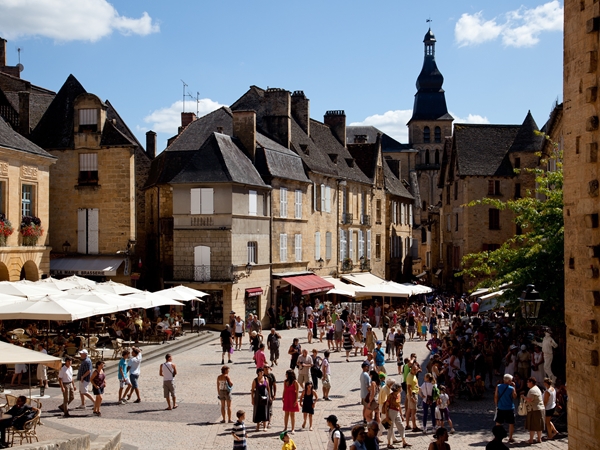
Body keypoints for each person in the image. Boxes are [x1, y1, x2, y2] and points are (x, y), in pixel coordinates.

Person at [382, 382, 410, 449]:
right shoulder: (390, 396)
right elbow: (386, 406)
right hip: (391, 412)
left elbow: (399, 405)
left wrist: (401, 414)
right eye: (400, 388)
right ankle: (389, 443)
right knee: (390, 428)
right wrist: (387, 416)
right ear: (397, 388)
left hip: (396, 412)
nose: (401, 389)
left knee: (401, 426)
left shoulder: (399, 395)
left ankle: (404, 442)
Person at [522, 377, 545, 444]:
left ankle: (531, 440)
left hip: (534, 410)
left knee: (532, 425)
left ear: (531, 382)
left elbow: (530, 399)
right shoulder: (536, 388)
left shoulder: (532, 390)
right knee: (539, 425)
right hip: (539, 409)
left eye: (528, 382)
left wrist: (523, 397)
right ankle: (539, 439)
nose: (527, 383)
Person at [251, 367, 271, 431]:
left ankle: (265, 426)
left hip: (265, 396)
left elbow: (268, 388)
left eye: (262, 371)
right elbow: (252, 390)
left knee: (265, 410)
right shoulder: (255, 380)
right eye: (260, 371)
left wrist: (270, 396)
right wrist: (252, 399)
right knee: (257, 410)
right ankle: (258, 426)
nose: (262, 372)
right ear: (258, 372)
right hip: (257, 397)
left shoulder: (266, 378)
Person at [282, 369, 300, 433]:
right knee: (286, 413)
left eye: (287, 374)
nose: (286, 375)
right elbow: (284, 390)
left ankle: (293, 428)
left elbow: (297, 392)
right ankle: (285, 427)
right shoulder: (285, 381)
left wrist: (296, 400)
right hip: (287, 398)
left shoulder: (295, 382)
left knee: (292, 414)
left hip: (292, 398)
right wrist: (283, 397)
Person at [405, 364, 421, 432]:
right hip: (412, 395)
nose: (415, 371)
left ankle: (408, 425)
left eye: (416, 369)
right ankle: (414, 427)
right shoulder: (410, 376)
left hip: (412, 394)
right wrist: (412, 397)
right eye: (414, 369)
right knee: (413, 411)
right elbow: (409, 387)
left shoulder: (413, 375)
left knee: (409, 410)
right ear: (411, 369)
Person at [264, 363, 277, 429]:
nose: (266, 368)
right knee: (263, 408)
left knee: (270, 409)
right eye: (265, 367)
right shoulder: (261, 376)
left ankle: (269, 422)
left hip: (270, 394)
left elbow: (274, 385)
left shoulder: (271, 376)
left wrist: (274, 394)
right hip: (263, 394)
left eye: (268, 367)